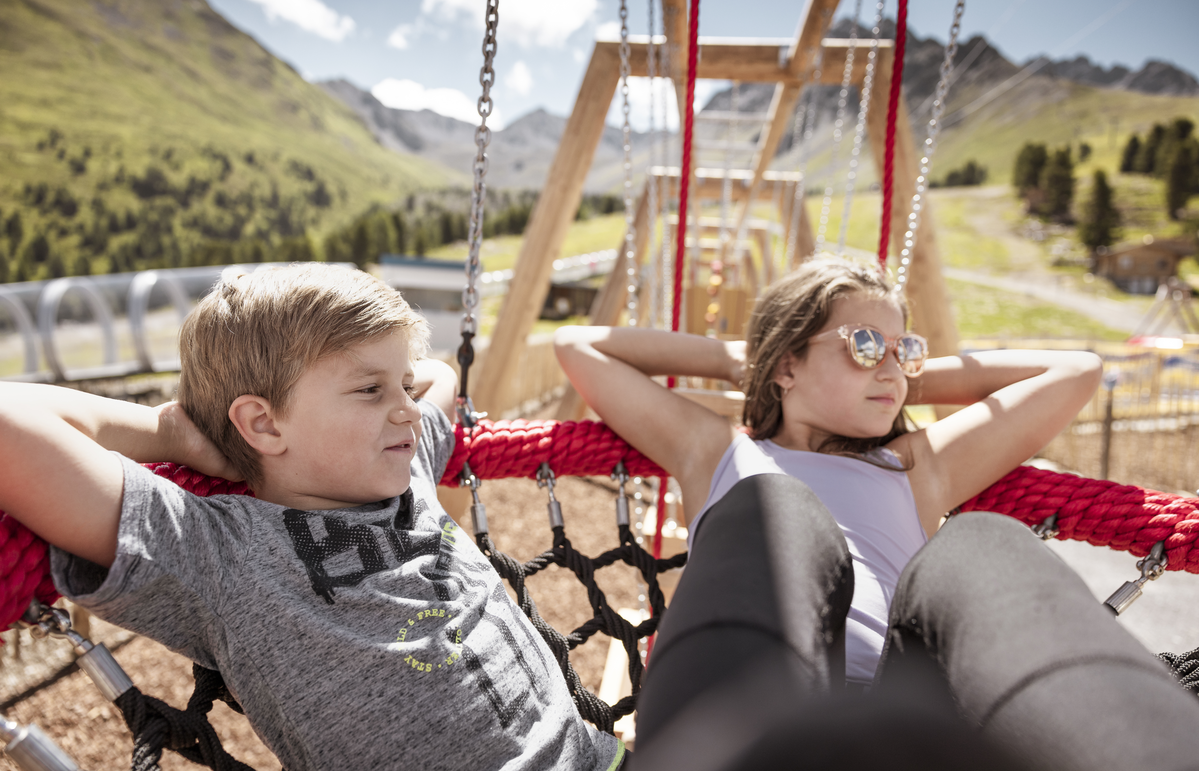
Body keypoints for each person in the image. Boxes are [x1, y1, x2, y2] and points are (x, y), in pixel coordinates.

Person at [555, 254, 1199, 771]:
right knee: (773, 505)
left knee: (982, 540)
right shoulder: (716, 453)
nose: (891, 368)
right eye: (863, 344)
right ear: (787, 363)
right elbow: (578, 346)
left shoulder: (914, 465)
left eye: (903, 349)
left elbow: (1076, 371)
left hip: (904, 715)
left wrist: (897, 374)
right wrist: (744, 361)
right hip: (749, 717)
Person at [0, 264, 627, 771]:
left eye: (402, 387)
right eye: (369, 390)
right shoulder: (214, 549)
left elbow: (438, 374)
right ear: (263, 423)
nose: (409, 409)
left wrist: (389, 380)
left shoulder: (405, 469)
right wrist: (171, 433)